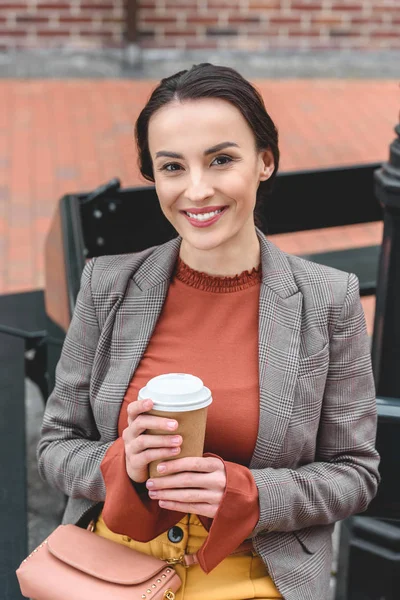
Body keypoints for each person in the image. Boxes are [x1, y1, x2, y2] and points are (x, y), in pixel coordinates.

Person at [37, 63, 380, 600]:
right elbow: (57, 445)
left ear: (264, 162)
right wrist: (119, 462)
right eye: (172, 167)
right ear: (154, 175)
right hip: (113, 566)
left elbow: (354, 473)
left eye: (221, 159)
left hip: (251, 569)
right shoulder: (107, 286)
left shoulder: (327, 299)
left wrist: (248, 492)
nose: (196, 190)